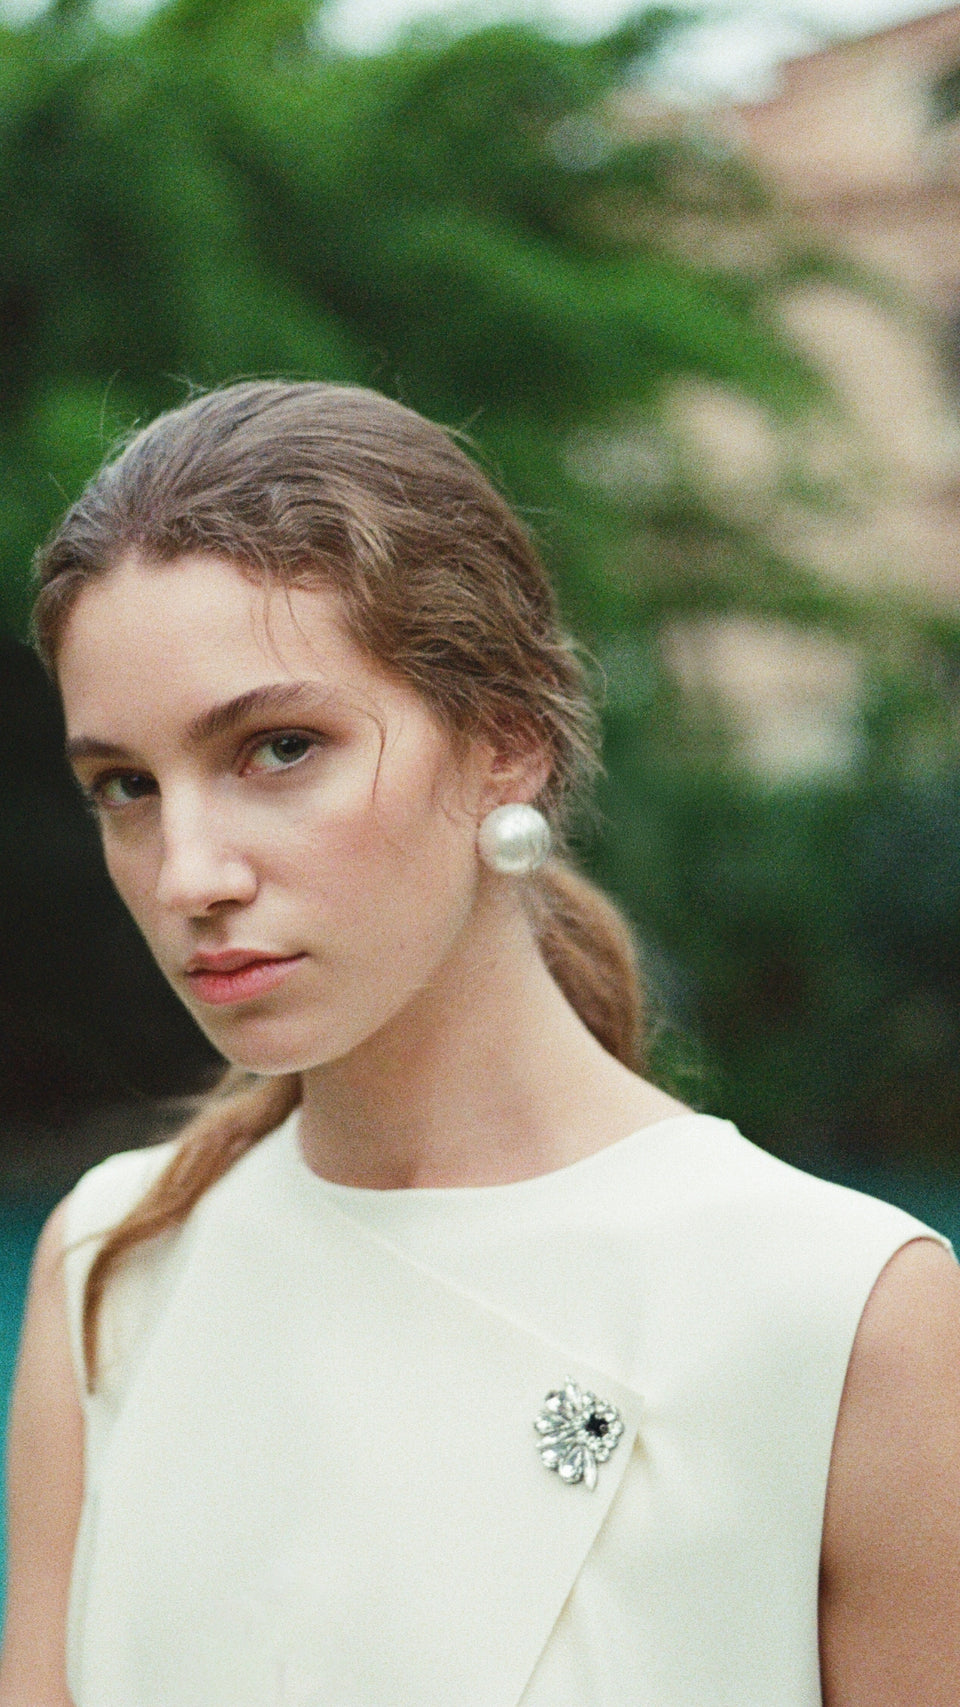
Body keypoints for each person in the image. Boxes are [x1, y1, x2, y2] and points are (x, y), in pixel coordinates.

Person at [1, 381, 959, 1707]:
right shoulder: (113, 1263)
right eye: (125, 786)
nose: (188, 873)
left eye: (279, 748)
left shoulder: (844, 1311)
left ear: (505, 742)